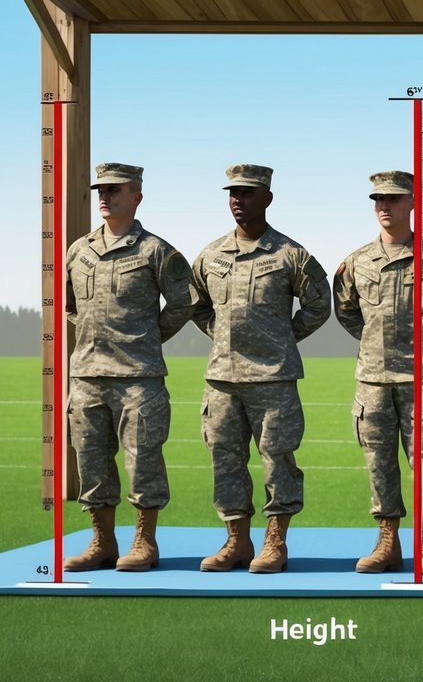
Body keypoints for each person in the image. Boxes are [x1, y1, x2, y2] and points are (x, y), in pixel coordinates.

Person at [191, 164, 330, 574]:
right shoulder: (211, 255)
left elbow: (319, 305)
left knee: (278, 461)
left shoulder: (290, 255)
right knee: (224, 460)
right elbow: (195, 304)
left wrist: (282, 339)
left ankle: (275, 542)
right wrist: (221, 338)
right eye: (232, 192)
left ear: (267, 198)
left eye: (247, 193)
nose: (237, 199)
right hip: (222, 381)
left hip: (273, 378)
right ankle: (236, 541)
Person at [333, 171, 423, 574]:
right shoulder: (357, 262)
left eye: (393, 199)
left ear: (412, 204)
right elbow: (345, 310)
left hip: (421, 381)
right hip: (373, 382)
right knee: (378, 464)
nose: (384, 206)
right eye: (378, 199)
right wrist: (373, 344)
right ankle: (388, 543)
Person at [62, 163, 194, 572]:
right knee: (91, 463)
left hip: (138, 378)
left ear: (136, 195)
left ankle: (144, 542)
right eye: (101, 188)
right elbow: (69, 306)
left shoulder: (156, 251)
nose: (105, 195)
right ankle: (102, 542)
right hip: (87, 376)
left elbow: (184, 302)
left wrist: (147, 338)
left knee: (143, 465)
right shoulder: (78, 250)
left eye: (114, 189)